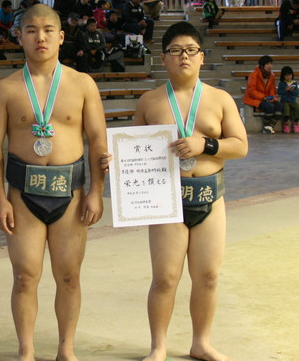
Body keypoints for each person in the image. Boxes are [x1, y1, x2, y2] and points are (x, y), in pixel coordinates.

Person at [103, 21, 248, 361]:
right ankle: (159, 346)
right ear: (163, 58)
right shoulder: (150, 101)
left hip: (210, 198)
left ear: (201, 57)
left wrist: (205, 144)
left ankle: (201, 342)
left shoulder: (220, 99)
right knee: (165, 278)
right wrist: (116, 160)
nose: (184, 56)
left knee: (208, 276)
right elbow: (133, 148)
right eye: (175, 51)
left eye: (191, 50)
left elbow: (240, 146)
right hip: (165, 199)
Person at [0, 4, 107, 361]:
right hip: (23, 195)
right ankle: (26, 350)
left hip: (71, 193)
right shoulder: (5, 89)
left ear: (61, 36)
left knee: (68, 275)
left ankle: (66, 349)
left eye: (48, 30)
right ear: (19, 37)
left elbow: (98, 140)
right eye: (32, 30)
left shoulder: (83, 84)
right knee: (25, 276)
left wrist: (97, 192)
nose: (41, 37)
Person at [243, 55, 282, 134]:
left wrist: (272, 97)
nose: (270, 66)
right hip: (255, 98)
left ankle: (270, 126)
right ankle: (266, 125)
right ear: (262, 66)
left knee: (280, 106)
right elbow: (251, 91)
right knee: (270, 107)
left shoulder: (272, 75)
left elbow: (272, 89)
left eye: (271, 64)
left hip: (266, 98)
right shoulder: (254, 75)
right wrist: (264, 97)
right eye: (267, 64)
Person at [277, 66, 299, 134]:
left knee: (297, 108)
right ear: (283, 76)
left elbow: (297, 93)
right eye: (286, 75)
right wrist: (285, 90)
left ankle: (296, 123)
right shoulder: (282, 83)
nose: (288, 77)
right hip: (284, 101)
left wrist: (292, 91)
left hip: (293, 101)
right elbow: (279, 92)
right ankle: (286, 124)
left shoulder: (294, 83)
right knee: (286, 109)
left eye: (290, 75)